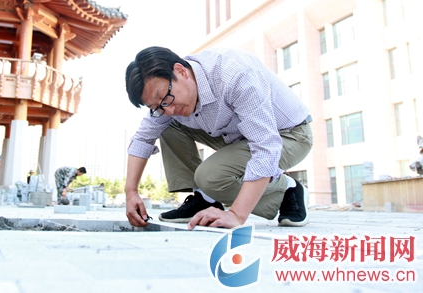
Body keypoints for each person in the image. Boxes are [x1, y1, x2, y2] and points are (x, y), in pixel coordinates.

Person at [124, 46, 313, 229]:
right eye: (156, 107)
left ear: (181, 71)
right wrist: (131, 192)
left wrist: (236, 215)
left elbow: (266, 147)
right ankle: (204, 199)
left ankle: (288, 189)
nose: (169, 109)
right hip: (239, 135)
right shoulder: (168, 102)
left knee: (210, 177)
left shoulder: (234, 75)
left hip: (287, 135)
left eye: (166, 98)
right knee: (167, 124)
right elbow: (142, 139)